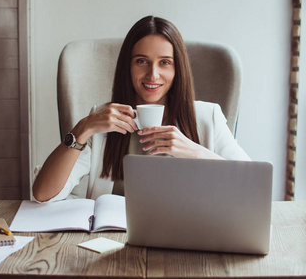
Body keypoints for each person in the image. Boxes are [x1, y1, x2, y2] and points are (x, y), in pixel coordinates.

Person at [32, 15, 250, 202]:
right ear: (128, 66)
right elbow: (43, 193)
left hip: (187, 243)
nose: (153, 74)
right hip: (113, 240)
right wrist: (82, 129)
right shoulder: (104, 121)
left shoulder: (206, 117)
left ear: (177, 69)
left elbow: (250, 184)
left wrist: (193, 151)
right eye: (142, 61)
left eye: (164, 62)